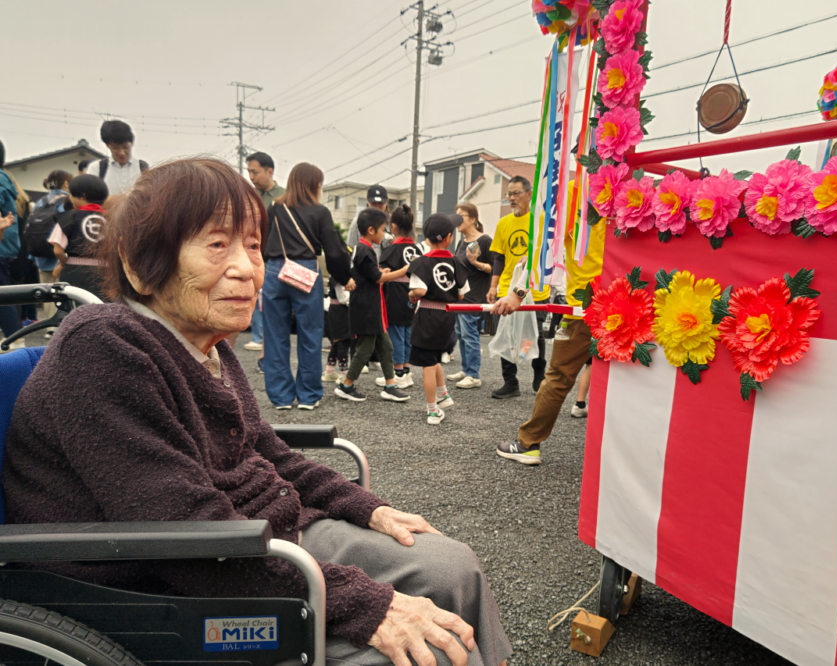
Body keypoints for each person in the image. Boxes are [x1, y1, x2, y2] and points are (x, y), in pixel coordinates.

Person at [3, 157, 512, 666]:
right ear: (139, 265)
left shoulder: (205, 342)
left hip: (261, 535)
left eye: (252, 245)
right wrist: (367, 605)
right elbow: (182, 531)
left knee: (451, 567)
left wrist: (364, 506)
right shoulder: (102, 349)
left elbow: (268, 451)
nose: (248, 268)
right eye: (217, 245)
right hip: (163, 580)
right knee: (431, 653)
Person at [494, 181, 605, 465]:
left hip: (586, 307)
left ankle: (528, 443)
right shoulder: (634, 188)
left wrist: (518, 293)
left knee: (558, 377)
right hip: (628, 304)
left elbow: (542, 248)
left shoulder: (573, 191)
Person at [261, 163, 352, 411]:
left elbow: (262, 242)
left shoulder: (274, 207)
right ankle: (309, 396)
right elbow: (334, 250)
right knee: (310, 335)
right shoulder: (320, 211)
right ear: (315, 185)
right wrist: (344, 277)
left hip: (274, 270)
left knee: (275, 335)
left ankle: (280, 397)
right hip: (304, 271)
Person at [335, 208, 410, 403]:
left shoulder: (364, 248)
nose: (384, 234)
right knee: (365, 350)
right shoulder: (364, 249)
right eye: (383, 229)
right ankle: (346, 385)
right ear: (371, 230)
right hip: (367, 310)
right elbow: (377, 278)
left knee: (386, 347)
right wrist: (402, 270)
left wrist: (380, 271)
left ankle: (390, 386)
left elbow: (370, 274)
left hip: (372, 309)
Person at [487, 175, 550, 399]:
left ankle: (538, 371)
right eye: (509, 194)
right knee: (506, 334)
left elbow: (549, 251)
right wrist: (493, 287)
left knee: (534, 335)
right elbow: (499, 259)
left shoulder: (541, 220)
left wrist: (532, 254)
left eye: (516, 193)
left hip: (535, 288)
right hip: (507, 287)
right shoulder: (503, 223)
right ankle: (510, 382)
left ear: (529, 194)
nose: (512, 198)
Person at [407, 213, 468, 425]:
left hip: (427, 317)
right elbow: (461, 295)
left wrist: (411, 294)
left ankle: (432, 410)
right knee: (433, 358)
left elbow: (420, 290)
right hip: (447, 316)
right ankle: (443, 395)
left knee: (427, 365)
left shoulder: (421, 262)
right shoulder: (457, 263)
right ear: (449, 238)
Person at [447, 203, 494, 390]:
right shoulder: (462, 241)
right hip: (460, 295)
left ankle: (474, 374)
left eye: (461, 216)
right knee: (461, 333)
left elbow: (494, 268)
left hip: (474, 295)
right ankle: (466, 370)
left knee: (470, 334)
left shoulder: (485, 240)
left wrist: (476, 263)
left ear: (473, 219)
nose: (457, 221)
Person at [377, 204, 422, 390]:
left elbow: (381, 276)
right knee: (408, 333)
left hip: (394, 295)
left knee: (395, 332)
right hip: (414, 294)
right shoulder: (418, 251)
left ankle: (398, 373)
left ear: (393, 227)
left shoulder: (389, 251)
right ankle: (407, 370)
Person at [245, 152, 285, 352]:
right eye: (249, 172)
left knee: (270, 297)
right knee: (252, 292)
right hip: (250, 253)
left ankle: (269, 340)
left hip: (274, 257)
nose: (252, 177)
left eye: (255, 172)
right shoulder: (248, 195)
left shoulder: (284, 195)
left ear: (269, 171)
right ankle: (257, 336)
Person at [48, 174, 109, 298]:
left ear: (82, 196)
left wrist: (65, 262)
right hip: (107, 274)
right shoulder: (114, 218)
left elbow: (58, 251)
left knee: (75, 309)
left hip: (75, 272)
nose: (69, 198)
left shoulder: (67, 218)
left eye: (71, 194)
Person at [32, 170, 73, 335]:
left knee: (46, 292)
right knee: (63, 292)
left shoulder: (40, 201)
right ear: (66, 184)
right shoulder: (66, 201)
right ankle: (62, 327)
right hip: (59, 254)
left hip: (40, 254)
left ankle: (50, 328)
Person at [0, 140, 25, 344]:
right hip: (8, 247)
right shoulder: (6, 178)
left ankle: (15, 340)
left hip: (1, 246)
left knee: (2, 297)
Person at [87, 120, 148, 196]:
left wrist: (108, 200)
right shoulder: (96, 168)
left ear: (132, 143)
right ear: (107, 146)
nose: (121, 153)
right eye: (115, 148)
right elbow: (91, 199)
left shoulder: (143, 168)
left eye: (126, 147)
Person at [346, 184, 392, 258]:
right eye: (374, 203)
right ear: (367, 200)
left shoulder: (392, 222)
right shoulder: (357, 222)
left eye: (380, 203)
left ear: (386, 202)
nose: (377, 207)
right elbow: (350, 250)